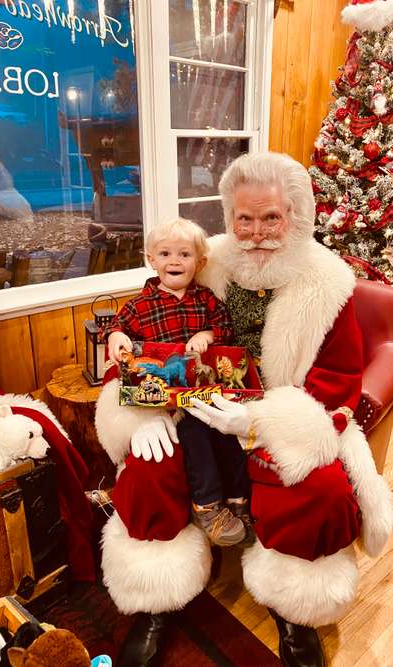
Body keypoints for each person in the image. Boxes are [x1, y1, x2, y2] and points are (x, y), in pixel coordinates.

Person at [95, 153, 393, 667]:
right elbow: (138, 343)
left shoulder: (328, 285)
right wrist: (141, 413)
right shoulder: (202, 263)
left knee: (320, 491)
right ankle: (155, 595)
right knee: (147, 469)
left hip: (280, 418)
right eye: (244, 219)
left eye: (271, 217)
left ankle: (295, 607)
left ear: (296, 216)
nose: (255, 232)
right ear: (229, 218)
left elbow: (338, 382)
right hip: (193, 412)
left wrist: (262, 421)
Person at [104, 217, 250, 547]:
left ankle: (239, 500)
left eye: (184, 254)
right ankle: (207, 505)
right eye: (165, 253)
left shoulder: (206, 299)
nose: (174, 261)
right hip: (168, 398)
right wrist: (115, 337)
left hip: (206, 388)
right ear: (151, 259)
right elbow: (116, 327)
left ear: (199, 262)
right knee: (194, 435)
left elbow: (225, 330)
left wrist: (207, 334)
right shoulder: (139, 306)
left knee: (228, 437)